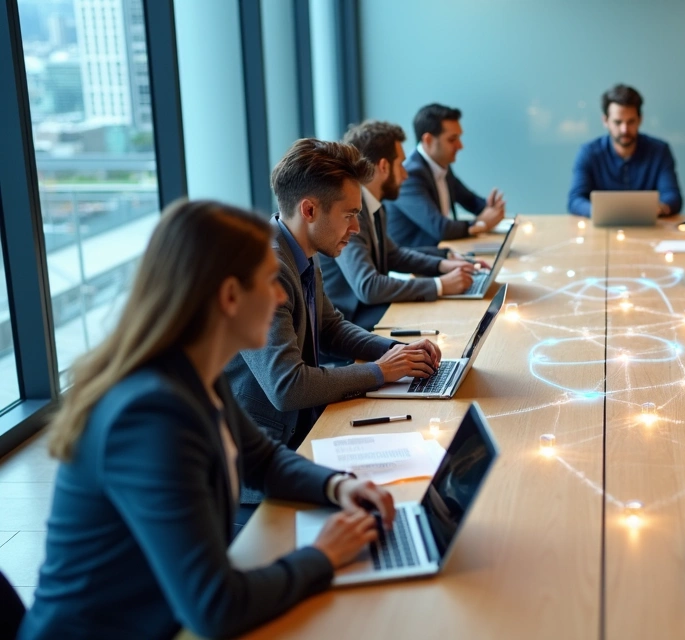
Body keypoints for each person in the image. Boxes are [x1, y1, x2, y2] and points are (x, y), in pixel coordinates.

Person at [18, 200, 397, 640]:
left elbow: (263, 460)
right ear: (229, 297)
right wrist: (324, 555)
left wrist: (338, 486)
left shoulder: (193, 371)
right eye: (269, 282)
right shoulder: (149, 416)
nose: (281, 297)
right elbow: (214, 606)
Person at [226, 139, 440, 487]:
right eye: (349, 215)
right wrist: (380, 371)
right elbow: (287, 387)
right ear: (309, 210)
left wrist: (394, 352)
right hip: (268, 460)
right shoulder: (265, 269)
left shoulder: (301, 250)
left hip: (304, 430)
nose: (356, 229)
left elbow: (330, 328)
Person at [319, 120, 484, 329]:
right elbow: (368, 286)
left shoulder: (374, 205)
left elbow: (394, 255)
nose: (406, 174)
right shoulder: (351, 214)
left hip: (369, 312)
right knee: (447, 320)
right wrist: (440, 285)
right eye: (401, 165)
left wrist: (442, 265)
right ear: (384, 166)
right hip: (351, 322)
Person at [385, 103, 506, 250]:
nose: (460, 146)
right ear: (428, 140)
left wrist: (491, 207)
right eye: (452, 139)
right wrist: (481, 224)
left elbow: (470, 201)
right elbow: (441, 228)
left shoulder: (440, 165)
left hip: (440, 252)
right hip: (416, 259)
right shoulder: (409, 176)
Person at [567, 84, 682, 218]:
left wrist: (661, 208)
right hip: (602, 227)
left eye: (631, 122)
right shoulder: (588, 153)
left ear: (640, 119)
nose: (624, 129)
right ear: (605, 121)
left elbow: (673, 196)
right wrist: (600, 212)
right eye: (618, 122)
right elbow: (575, 200)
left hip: (649, 227)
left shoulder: (660, 151)